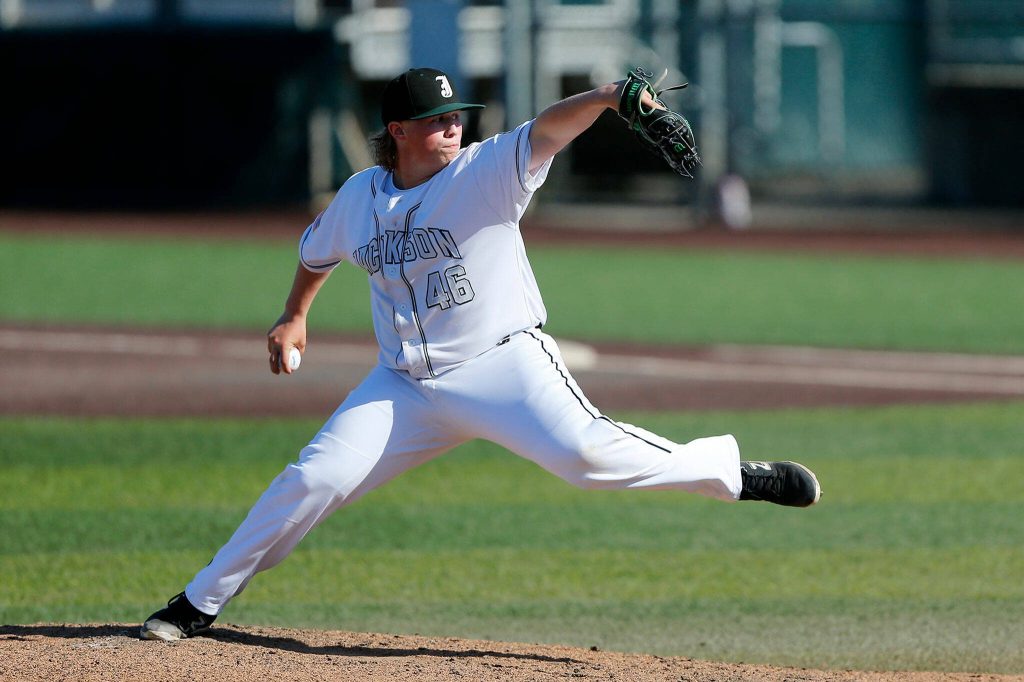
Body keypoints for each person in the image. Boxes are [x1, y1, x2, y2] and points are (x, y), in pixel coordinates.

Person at [140, 67, 821, 641]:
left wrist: (613, 96)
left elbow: (550, 128)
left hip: (503, 366)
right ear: (398, 133)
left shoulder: (484, 171)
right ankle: (200, 601)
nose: (452, 126)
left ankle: (733, 472)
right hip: (404, 388)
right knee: (313, 479)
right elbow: (315, 251)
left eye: (456, 115)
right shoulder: (358, 198)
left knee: (589, 456)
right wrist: (294, 315)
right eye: (435, 120)